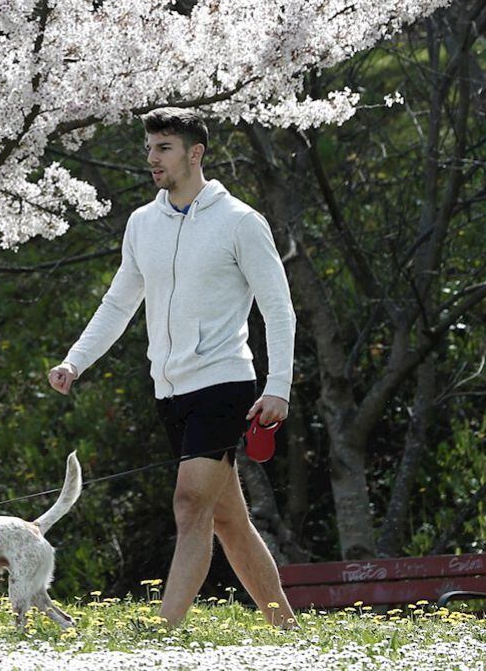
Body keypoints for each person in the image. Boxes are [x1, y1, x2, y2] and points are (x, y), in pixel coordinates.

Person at [48, 107, 300, 630]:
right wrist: (76, 359)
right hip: (169, 391)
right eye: (149, 149)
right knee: (229, 520)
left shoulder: (240, 222)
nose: (152, 159)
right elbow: (119, 303)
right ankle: (286, 627)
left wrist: (279, 387)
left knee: (189, 506)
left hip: (225, 383)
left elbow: (278, 308)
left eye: (163, 148)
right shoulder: (143, 224)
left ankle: (164, 629)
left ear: (195, 153)